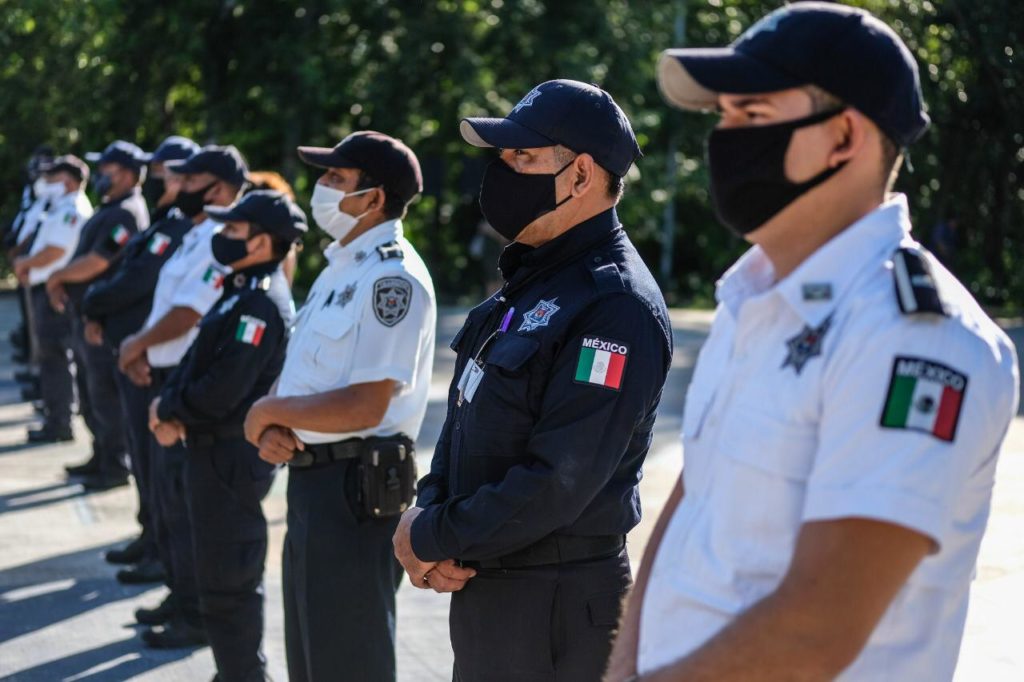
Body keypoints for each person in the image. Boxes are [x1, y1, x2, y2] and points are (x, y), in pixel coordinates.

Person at [606, 5, 1020, 681]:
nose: (726, 138)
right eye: (725, 116)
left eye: (754, 115)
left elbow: (819, 626)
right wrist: (624, 669)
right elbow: (691, 507)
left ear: (845, 136)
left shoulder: (918, 338)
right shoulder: (754, 302)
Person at [392, 80, 673, 682]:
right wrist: (431, 509)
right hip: (491, 590)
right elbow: (467, 416)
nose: (503, 173)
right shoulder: (532, 281)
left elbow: (559, 479)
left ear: (581, 176)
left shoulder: (614, 304)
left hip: (558, 608)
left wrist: (434, 533)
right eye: (503, 159)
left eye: (523, 158)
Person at [242, 131, 435, 682]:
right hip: (314, 481)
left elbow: (367, 405)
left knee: (348, 662)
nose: (321, 188)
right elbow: (317, 382)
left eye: (336, 179)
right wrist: (280, 426)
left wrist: (267, 409)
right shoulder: (341, 269)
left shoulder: (389, 277)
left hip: (354, 491)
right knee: (312, 659)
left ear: (374, 198)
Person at [149, 190, 307, 682]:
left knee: (229, 580)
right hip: (210, 452)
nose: (222, 237)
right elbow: (199, 358)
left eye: (234, 231)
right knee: (215, 574)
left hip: (229, 457)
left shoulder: (260, 302)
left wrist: (171, 408)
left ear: (263, 242)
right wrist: (166, 404)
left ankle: (243, 674)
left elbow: (224, 388)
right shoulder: (242, 288)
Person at [116, 144, 251, 649]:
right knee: (167, 494)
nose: (176, 186)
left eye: (188, 180)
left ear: (216, 187)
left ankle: (195, 611)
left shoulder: (223, 237)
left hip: (186, 378)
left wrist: (137, 344)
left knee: (183, 500)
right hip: (163, 369)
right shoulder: (199, 233)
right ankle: (181, 594)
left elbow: (189, 312)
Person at [81, 135, 197, 580]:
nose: (157, 179)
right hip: (137, 354)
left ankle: (162, 553)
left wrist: (93, 304)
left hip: (152, 360)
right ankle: (151, 538)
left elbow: (139, 282)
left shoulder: (180, 230)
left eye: (164, 173)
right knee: (143, 457)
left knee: (157, 464)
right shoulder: (165, 223)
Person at [47, 140, 150, 488]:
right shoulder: (112, 208)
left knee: (106, 395)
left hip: (106, 322)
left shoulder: (126, 213)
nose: (102, 176)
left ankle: (115, 465)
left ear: (128, 175)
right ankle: (101, 454)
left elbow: (99, 261)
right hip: (89, 315)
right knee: (92, 393)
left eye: (108, 170)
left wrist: (59, 275)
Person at [13, 155, 93, 443]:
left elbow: (57, 251)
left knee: (55, 356)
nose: (46, 183)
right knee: (50, 357)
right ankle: (55, 416)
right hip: (44, 287)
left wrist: (26, 264)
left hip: (54, 291)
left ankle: (60, 422)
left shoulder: (73, 209)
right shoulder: (61, 207)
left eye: (52, 178)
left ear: (67, 181)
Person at [141, 135, 200, 223]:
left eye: (160, 171)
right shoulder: (165, 214)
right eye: (153, 170)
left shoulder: (188, 221)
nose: (154, 176)